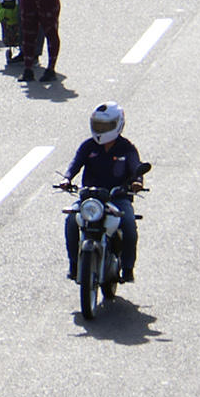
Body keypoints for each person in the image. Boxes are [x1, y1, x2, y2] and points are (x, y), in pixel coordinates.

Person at [62, 103, 146, 282]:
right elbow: (74, 164)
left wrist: (137, 182)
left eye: (105, 126)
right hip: (90, 197)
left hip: (118, 198)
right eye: (98, 125)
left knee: (129, 223)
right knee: (70, 220)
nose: (101, 130)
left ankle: (128, 267)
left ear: (118, 124)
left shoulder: (127, 148)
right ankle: (74, 265)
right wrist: (67, 179)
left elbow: (135, 167)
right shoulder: (88, 146)